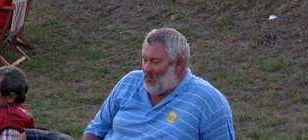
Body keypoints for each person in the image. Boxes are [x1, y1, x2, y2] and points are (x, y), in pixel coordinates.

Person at [82, 28, 236, 140]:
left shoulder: (208, 101)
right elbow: (95, 131)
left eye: (155, 62)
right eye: (144, 59)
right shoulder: (129, 83)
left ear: (179, 63)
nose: (146, 69)